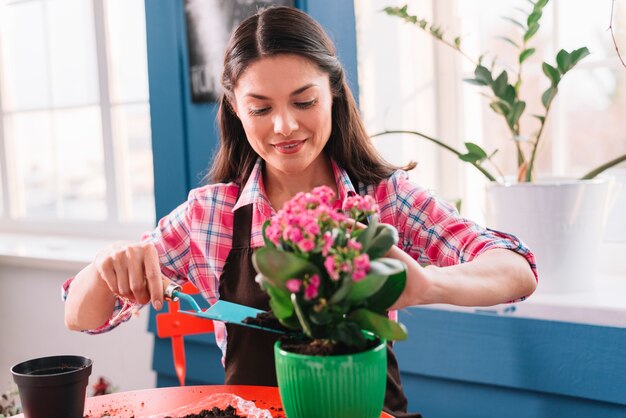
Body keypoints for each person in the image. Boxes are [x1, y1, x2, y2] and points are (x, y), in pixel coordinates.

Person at [63, 6, 537, 417]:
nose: (284, 126)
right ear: (234, 106)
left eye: (304, 101)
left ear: (333, 91)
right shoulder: (210, 216)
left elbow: (515, 269)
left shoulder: (383, 199)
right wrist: (109, 266)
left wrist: (428, 285)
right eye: (261, 108)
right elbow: (80, 316)